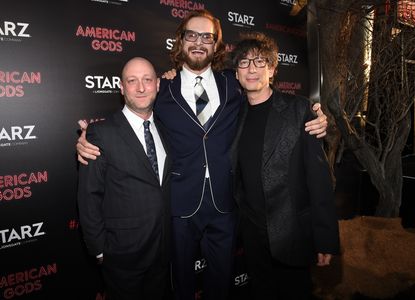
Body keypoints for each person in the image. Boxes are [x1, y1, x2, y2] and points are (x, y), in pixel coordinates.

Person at [76, 10, 328, 300]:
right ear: (180, 42)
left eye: (207, 37)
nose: (198, 42)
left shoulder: (234, 85)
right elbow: (132, 119)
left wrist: (319, 117)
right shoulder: (162, 88)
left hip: (226, 202)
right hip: (179, 204)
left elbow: (269, 104)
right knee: (180, 284)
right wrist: (88, 138)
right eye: (191, 35)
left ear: (217, 45)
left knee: (221, 283)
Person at [230, 32, 340, 300]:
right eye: (244, 63)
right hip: (252, 236)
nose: (252, 68)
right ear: (236, 74)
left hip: (291, 232)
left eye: (260, 62)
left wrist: (325, 237)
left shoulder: (299, 110)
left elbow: (319, 178)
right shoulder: (233, 115)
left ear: (272, 69)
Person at [77, 57, 171, 300]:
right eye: (132, 81)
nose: (141, 87)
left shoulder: (168, 128)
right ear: (121, 87)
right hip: (122, 256)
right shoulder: (100, 133)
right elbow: (89, 196)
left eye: (147, 80)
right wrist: (99, 250)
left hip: (164, 251)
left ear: (157, 84)